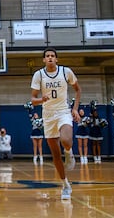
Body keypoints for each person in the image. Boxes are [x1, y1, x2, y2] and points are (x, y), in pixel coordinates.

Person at [30, 48, 81, 201]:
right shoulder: (38, 75)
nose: (50, 58)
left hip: (63, 111)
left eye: (53, 56)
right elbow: (33, 99)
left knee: (66, 140)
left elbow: (78, 90)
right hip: (48, 115)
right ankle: (65, 185)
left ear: (57, 59)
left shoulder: (66, 72)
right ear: (44, 60)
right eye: (47, 56)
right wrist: (41, 99)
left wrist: (75, 109)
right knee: (55, 154)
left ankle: (69, 151)